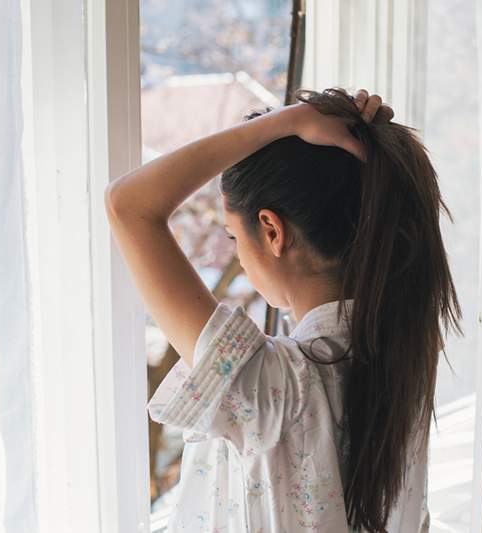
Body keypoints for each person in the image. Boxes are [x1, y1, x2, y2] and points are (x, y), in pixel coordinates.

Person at [105, 87, 463, 533]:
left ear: (272, 231)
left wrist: (285, 123)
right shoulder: (409, 350)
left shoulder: (273, 387)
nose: (237, 254)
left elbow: (128, 205)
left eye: (235, 238)